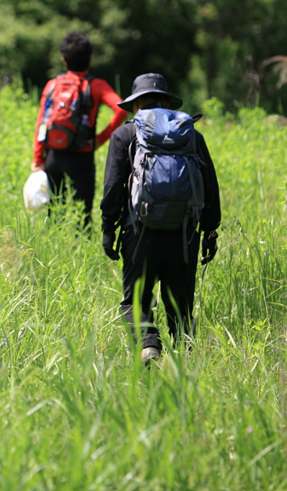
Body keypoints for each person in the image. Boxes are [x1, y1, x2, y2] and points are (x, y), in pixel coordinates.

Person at [100, 73, 221, 363]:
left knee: (135, 301)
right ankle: (185, 362)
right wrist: (210, 232)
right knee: (180, 303)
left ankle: (149, 346)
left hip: (138, 232)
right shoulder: (192, 134)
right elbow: (209, 185)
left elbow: (113, 187)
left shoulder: (124, 135)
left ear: (135, 105)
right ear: (167, 102)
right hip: (184, 234)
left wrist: (108, 229)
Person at [31, 30, 127, 227]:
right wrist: (100, 139)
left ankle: (54, 247)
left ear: (63, 60)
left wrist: (38, 159)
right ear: (91, 58)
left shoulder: (52, 85)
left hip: (53, 157)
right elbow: (121, 110)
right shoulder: (97, 85)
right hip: (81, 156)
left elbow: (41, 123)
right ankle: (79, 246)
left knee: (55, 213)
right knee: (82, 215)